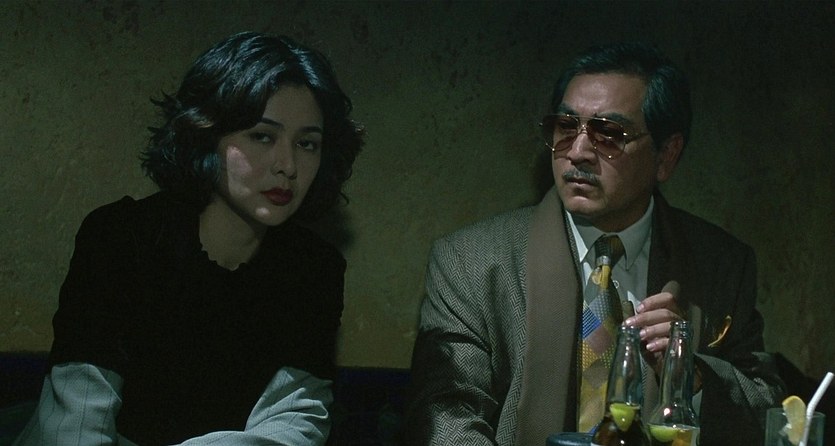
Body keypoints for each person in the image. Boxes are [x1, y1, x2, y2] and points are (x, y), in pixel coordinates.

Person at [405, 42, 784, 446]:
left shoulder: (721, 264)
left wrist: (690, 376)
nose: (578, 152)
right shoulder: (471, 262)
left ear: (666, 156)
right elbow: (447, 418)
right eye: (566, 128)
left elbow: (768, 414)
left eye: (609, 135)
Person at [14, 31, 364, 445]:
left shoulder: (314, 269)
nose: (287, 165)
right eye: (262, 136)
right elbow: (76, 424)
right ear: (207, 134)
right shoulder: (121, 239)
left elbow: (291, 427)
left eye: (307, 144)